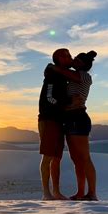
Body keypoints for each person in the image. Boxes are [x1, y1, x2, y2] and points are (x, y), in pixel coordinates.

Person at [49, 51, 98, 201]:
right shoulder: (72, 76)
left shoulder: (84, 76)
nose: (74, 61)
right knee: (76, 159)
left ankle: (92, 193)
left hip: (78, 117)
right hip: (70, 119)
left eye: (76, 59)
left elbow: (67, 73)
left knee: (84, 157)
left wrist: (53, 67)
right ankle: (80, 192)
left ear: (83, 64)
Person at [38, 48, 73, 200]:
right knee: (48, 157)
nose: (70, 58)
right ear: (59, 58)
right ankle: (46, 193)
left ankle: (56, 192)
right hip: (49, 119)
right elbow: (49, 97)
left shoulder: (61, 74)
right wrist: (67, 104)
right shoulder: (52, 75)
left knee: (57, 157)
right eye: (68, 55)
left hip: (59, 120)